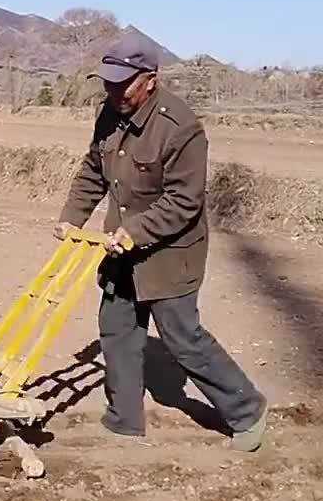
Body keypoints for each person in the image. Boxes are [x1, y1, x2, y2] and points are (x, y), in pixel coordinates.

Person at [55, 31, 268, 450]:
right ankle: (124, 420)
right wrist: (70, 218)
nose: (113, 90)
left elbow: (184, 201)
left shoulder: (181, 128)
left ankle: (247, 411)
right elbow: (93, 170)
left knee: (183, 339)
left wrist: (134, 232)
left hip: (169, 254)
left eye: (123, 82)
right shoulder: (110, 114)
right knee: (116, 329)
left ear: (150, 79)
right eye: (108, 82)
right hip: (121, 249)